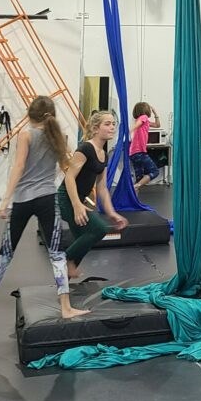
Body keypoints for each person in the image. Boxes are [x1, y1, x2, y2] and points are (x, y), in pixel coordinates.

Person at [0, 96, 88, 325]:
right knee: (57, 253)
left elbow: (19, 166)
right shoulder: (58, 137)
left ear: (29, 114)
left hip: (23, 200)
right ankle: (65, 307)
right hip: (47, 198)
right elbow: (66, 168)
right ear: (51, 115)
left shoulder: (25, 135)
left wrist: (6, 199)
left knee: (5, 254)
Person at [59, 111, 129, 277]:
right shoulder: (85, 149)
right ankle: (63, 262)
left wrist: (111, 213)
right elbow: (69, 178)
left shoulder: (103, 154)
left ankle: (66, 277)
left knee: (83, 238)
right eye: (107, 124)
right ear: (96, 129)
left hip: (78, 199)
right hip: (65, 199)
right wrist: (77, 206)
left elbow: (102, 187)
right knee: (98, 229)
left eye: (113, 123)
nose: (112, 127)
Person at [129, 101, 162, 189]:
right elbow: (138, 123)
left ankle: (134, 198)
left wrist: (155, 113)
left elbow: (157, 125)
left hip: (133, 153)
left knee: (139, 179)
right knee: (155, 171)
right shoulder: (143, 117)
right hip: (139, 152)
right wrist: (130, 130)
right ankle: (137, 185)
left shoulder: (145, 121)